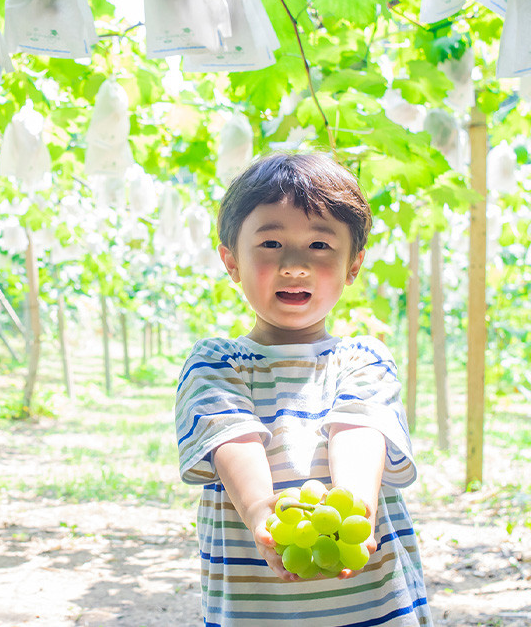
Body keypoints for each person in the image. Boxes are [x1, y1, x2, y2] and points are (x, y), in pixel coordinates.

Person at [174, 153, 432, 626]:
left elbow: (359, 434)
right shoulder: (214, 362)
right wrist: (260, 513)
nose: (295, 264)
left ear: (353, 265)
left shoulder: (363, 358)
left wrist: (353, 510)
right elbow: (233, 440)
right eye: (271, 242)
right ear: (231, 261)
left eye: (319, 244)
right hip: (259, 610)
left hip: (373, 603)